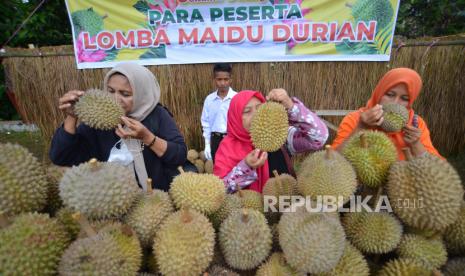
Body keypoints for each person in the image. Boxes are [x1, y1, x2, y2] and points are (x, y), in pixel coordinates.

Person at [49, 62, 187, 192]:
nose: (115, 99)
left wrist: (147, 137)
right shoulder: (99, 120)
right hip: (111, 198)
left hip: (153, 198)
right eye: (110, 91)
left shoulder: (157, 115)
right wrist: (72, 117)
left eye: (125, 94)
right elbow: (61, 157)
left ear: (141, 94)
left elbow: (179, 155)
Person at [213, 89, 328, 194]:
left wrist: (290, 106)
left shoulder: (279, 135)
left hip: (286, 208)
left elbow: (319, 137)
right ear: (235, 117)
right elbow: (219, 192)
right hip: (251, 213)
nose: (255, 115)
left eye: (259, 108)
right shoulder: (227, 148)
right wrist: (246, 166)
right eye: (247, 111)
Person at [331, 67, 442, 160]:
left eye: (404, 98)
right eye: (390, 94)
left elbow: (439, 171)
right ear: (379, 92)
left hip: (401, 184)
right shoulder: (355, 119)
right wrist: (361, 127)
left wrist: (416, 144)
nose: (395, 102)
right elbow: (332, 160)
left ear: (411, 102)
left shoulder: (416, 124)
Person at [201, 63, 237, 162]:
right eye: (219, 79)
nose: (222, 83)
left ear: (231, 79)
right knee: (218, 170)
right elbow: (206, 123)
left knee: (233, 170)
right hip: (215, 140)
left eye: (226, 79)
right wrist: (207, 144)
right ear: (214, 80)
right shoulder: (209, 99)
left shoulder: (236, 98)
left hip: (232, 139)